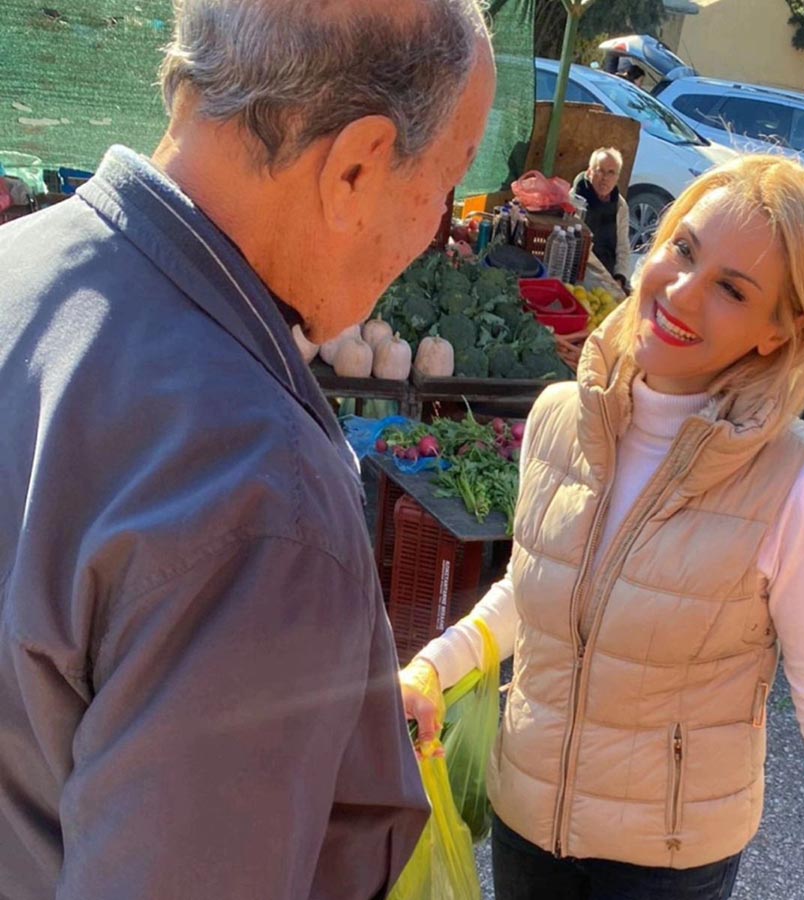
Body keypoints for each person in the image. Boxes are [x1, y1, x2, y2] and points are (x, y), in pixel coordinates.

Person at [0, 1, 495, 898]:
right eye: (448, 184)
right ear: (357, 167)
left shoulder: (22, 264)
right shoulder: (260, 496)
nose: (436, 229)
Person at [403, 155, 804, 900]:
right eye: (684, 249)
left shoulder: (795, 483)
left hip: (666, 863)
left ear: (780, 331)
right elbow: (534, 588)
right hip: (526, 824)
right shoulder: (560, 418)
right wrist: (435, 666)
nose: (682, 292)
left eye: (733, 289)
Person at [571, 147, 631, 292]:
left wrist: (619, 278)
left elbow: (622, 247)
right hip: (577, 271)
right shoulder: (574, 199)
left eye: (611, 173)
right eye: (600, 171)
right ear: (589, 172)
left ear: (617, 177)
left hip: (607, 277)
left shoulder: (620, 206)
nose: (605, 178)